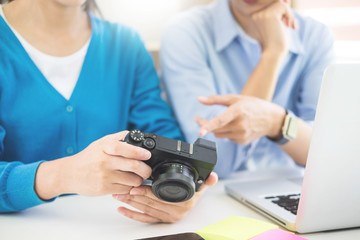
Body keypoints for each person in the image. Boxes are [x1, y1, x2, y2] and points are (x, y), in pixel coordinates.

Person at [0, 0, 217, 223]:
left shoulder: (126, 45)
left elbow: (168, 140)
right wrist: (64, 175)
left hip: (113, 228)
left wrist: (184, 190)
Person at [160, 0, 335, 178]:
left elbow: (326, 155)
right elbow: (216, 162)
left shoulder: (316, 37)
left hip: (291, 186)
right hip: (216, 190)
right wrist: (272, 54)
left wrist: (276, 122)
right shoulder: (186, 31)